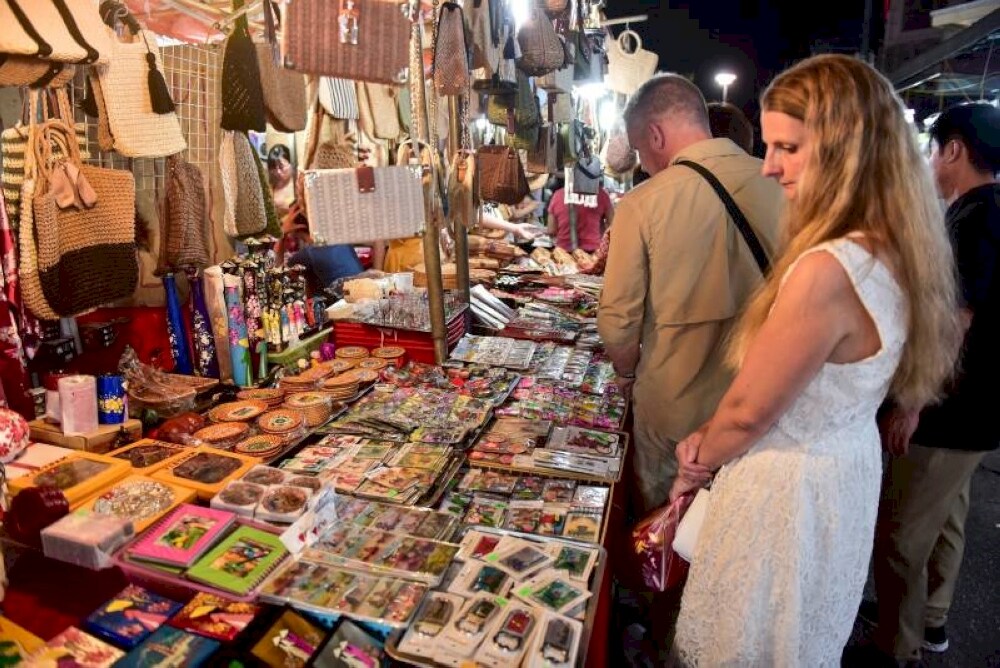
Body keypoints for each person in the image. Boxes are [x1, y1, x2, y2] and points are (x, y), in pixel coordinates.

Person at [668, 54, 962, 666]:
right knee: (795, 639)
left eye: (789, 147)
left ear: (846, 148)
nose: (770, 166)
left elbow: (749, 411)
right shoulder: (895, 249)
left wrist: (697, 458)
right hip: (841, 474)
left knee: (750, 643)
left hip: (789, 490)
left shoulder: (829, 268)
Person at [596, 73, 783, 513]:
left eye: (642, 151)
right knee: (737, 528)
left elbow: (618, 320)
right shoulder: (785, 189)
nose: (643, 163)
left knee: (663, 531)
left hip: (673, 411)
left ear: (656, 134)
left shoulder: (643, 204)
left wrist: (625, 374)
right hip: (763, 406)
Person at [866, 103, 1000, 665]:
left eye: (932, 149)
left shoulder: (976, 218)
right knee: (945, 517)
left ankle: (898, 648)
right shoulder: (981, 209)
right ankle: (934, 619)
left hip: (949, 410)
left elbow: (955, 321)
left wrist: (912, 403)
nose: (927, 161)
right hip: (975, 411)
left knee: (899, 539)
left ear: (953, 150)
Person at [547, 184, 614, 253]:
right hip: (593, 252)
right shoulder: (601, 194)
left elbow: (551, 230)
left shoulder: (558, 195)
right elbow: (613, 225)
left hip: (563, 253)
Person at [267, 144, 296, 217]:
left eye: (281, 166)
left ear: (290, 164)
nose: (278, 172)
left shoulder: (298, 185)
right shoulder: (270, 188)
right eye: (274, 168)